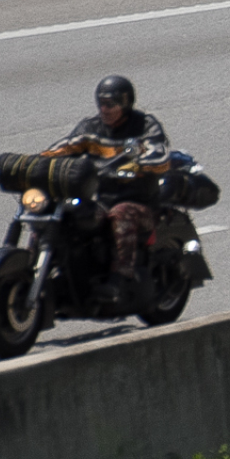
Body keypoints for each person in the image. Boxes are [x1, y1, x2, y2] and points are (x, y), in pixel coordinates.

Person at [40, 75, 171, 303]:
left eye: (111, 104)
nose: (105, 109)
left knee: (121, 213)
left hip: (141, 204)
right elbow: (63, 148)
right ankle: (41, 267)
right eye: (101, 103)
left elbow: (160, 155)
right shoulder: (91, 128)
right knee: (58, 213)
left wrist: (137, 165)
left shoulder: (144, 125)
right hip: (101, 200)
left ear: (126, 103)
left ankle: (120, 279)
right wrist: (35, 165)